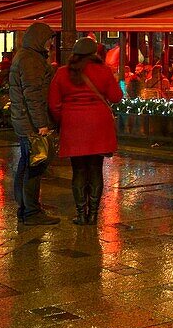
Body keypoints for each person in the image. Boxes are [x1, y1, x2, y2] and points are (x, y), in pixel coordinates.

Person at [48, 37, 123, 225]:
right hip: (99, 125)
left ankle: (81, 214)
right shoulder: (104, 71)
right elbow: (116, 97)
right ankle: (93, 215)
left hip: (74, 125)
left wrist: (63, 120)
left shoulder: (63, 72)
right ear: (95, 53)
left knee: (79, 170)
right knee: (96, 169)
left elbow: (54, 104)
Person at [9, 23, 60, 226]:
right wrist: (42, 124)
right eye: (49, 39)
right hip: (30, 123)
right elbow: (33, 95)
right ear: (40, 39)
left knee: (26, 163)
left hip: (23, 121)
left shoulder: (25, 56)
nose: (50, 44)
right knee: (35, 165)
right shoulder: (31, 60)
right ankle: (31, 211)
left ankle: (24, 208)